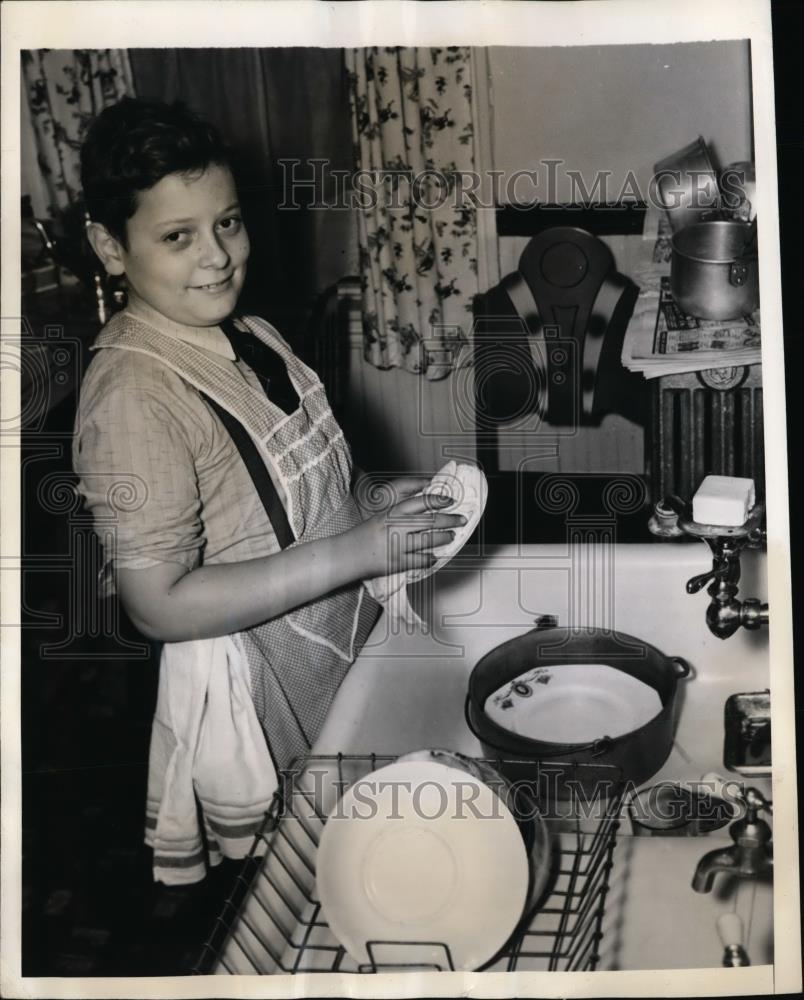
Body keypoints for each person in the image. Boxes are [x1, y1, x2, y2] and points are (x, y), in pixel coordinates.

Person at [73, 96, 465, 881]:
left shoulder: (250, 334)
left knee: (379, 854)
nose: (216, 257)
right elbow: (158, 604)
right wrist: (360, 548)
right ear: (110, 248)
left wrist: (386, 512)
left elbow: (313, 494)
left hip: (339, 641)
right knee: (312, 881)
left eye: (227, 223)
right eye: (177, 237)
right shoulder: (132, 396)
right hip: (265, 685)